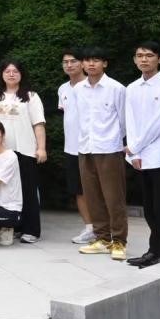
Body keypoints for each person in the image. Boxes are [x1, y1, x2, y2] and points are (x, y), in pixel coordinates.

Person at [124, 41, 160, 269]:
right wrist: (133, 153)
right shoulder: (132, 88)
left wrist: (135, 146)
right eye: (139, 55)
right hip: (141, 155)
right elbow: (130, 121)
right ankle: (153, 250)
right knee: (149, 208)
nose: (144, 59)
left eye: (149, 55)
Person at [75, 47, 129, 260]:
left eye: (96, 60)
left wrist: (115, 140)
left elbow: (124, 121)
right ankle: (102, 239)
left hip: (109, 149)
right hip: (85, 148)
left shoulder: (116, 88)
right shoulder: (78, 89)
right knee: (92, 196)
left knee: (114, 197)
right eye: (87, 60)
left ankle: (119, 241)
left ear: (104, 63)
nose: (91, 64)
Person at [0, 60, 46, 243]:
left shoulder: (30, 96)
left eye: (15, 71)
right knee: (5, 191)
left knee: (27, 190)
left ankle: (31, 230)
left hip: (24, 150)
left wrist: (41, 148)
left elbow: (38, 124)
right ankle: (12, 226)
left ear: (21, 74)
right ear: (1, 74)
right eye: (7, 71)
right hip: (0, 153)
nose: (11, 74)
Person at [58, 48, 95, 244]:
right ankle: (90, 228)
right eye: (66, 62)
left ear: (82, 63)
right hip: (71, 148)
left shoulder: (92, 86)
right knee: (78, 190)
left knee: (97, 189)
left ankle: (105, 228)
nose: (69, 65)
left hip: (93, 147)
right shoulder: (63, 89)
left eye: (73, 61)